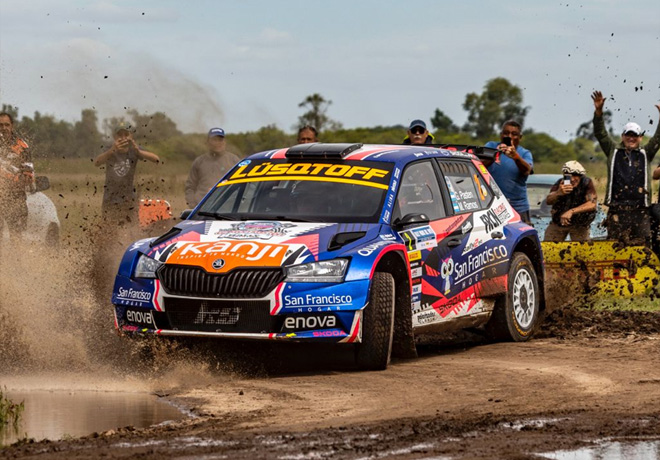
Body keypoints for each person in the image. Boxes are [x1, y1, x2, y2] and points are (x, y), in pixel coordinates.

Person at [591, 90, 660, 245]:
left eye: (635, 135)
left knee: (642, 246)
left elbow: (658, 138)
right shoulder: (612, 151)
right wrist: (598, 112)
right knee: (615, 246)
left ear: (640, 138)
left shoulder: (645, 153)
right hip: (617, 209)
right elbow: (600, 133)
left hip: (640, 210)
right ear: (622, 136)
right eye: (628, 135)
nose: (631, 138)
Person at [95, 122, 160, 225]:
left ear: (131, 136)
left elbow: (156, 159)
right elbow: (97, 162)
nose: (123, 138)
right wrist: (112, 150)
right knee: (109, 228)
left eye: (126, 135)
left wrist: (138, 151)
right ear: (114, 137)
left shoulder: (134, 149)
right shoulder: (110, 149)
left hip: (129, 198)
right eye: (120, 135)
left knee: (130, 227)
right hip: (110, 198)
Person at [483, 120, 534, 224]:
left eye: (514, 134)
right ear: (501, 135)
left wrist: (515, 157)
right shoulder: (491, 146)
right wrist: (495, 154)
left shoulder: (524, 153)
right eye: (506, 133)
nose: (509, 136)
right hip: (492, 206)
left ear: (520, 137)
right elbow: (478, 164)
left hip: (518, 207)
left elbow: (527, 170)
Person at [185, 127, 240, 208]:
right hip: (202, 208)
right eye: (214, 140)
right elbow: (190, 187)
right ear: (208, 142)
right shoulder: (199, 162)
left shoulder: (234, 161)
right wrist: (192, 204)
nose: (218, 143)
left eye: (220, 140)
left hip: (228, 207)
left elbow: (244, 185)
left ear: (225, 142)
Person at [544, 161, 598, 242]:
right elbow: (548, 200)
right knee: (548, 248)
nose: (572, 179)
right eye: (569, 176)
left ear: (580, 176)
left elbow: (592, 204)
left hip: (580, 224)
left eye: (575, 175)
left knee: (583, 251)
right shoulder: (560, 183)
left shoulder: (586, 183)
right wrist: (558, 193)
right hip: (558, 223)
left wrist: (571, 211)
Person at [0, 112, 34, 240]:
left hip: (15, 196)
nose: (3, 128)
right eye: (0, 125)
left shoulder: (22, 146)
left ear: (12, 126)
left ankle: (17, 259)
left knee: (16, 235)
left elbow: (28, 173)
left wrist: (23, 177)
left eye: (6, 125)